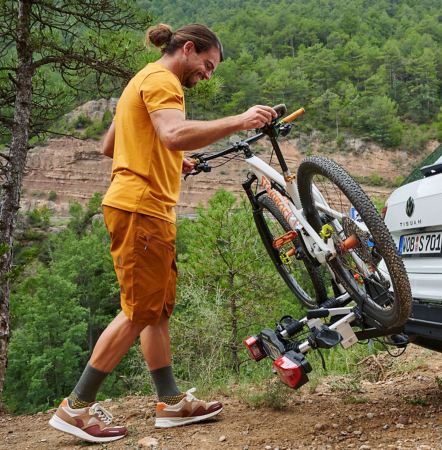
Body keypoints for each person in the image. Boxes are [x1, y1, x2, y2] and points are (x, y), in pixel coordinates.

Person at [48, 23, 278, 443]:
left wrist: (170, 160)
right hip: (140, 209)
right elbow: (172, 134)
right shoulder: (163, 81)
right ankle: (75, 408)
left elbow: (110, 145)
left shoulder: (141, 79)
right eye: (207, 65)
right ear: (188, 49)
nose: (208, 74)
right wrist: (240, 120)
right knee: (138, 311)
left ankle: (170, 403)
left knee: (156, 309)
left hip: (144, 208)